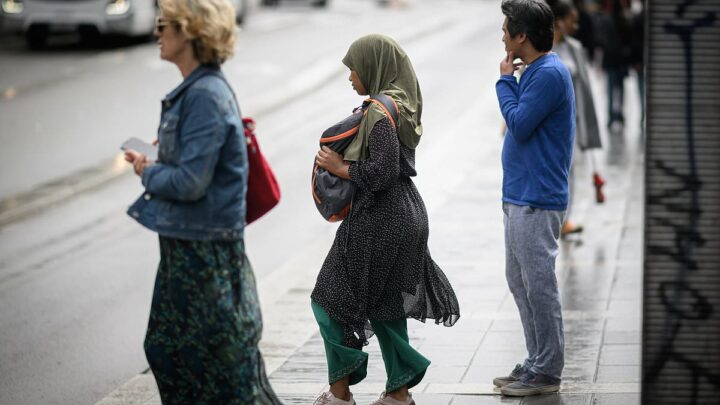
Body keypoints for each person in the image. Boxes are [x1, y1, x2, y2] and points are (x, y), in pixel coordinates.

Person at [123, 0, 281, 403]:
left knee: (215, 365)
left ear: (189, 31)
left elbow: (191, 182)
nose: (157, 32)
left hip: (204, 253)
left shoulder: (205, 96)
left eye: (164, 25)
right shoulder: (197, 92)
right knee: (174, 352)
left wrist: (148, 171)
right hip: (189, 244)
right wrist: (163, 158)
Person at [311, 34, 460, 405]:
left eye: (353, 69)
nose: (350, 77)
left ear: (372, 67)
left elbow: (381, 172)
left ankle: (339, 393)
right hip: (406, 213)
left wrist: (339, 167)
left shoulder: (379, 111)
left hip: (381, 216)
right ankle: (398, 393)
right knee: (386, 306)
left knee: (328, 296)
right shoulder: (402, 105)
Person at [493, 0, 575, 397]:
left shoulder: (549, 74)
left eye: (507, 29)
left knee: (539, 283)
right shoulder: (539, 71)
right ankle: (536, 359)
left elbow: (520, 125)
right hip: (520, 194)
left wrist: (505, 80)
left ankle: (548, 369)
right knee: (519, 279)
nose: (503, 35)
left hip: (537, 198)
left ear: (522, 35)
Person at [548, 0, 604, 237]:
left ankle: (564, 219)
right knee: (553, 171)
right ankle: (553, 217)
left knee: (569, 171)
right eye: (572, 20)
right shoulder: (543, 49)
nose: (576, 25)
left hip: (571, 120)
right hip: (549, 122)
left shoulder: (575, 48)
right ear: (559, 22)